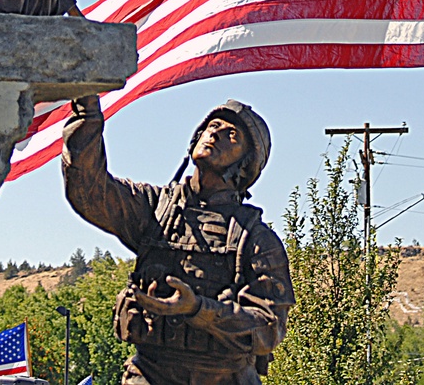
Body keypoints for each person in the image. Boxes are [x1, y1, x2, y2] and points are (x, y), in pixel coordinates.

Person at [62, 96, 295, 385]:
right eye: (213, 125)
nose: (216, 133)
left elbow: (268, 328)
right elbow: (89, 191)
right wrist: (88, 115)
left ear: (246, 165)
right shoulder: (154, 208)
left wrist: (198, 308)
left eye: (231, 135)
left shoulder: (257, 239)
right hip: (149, 374)